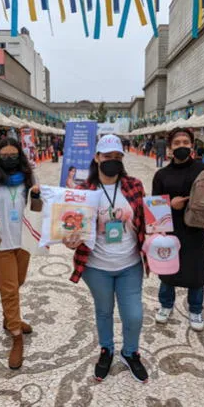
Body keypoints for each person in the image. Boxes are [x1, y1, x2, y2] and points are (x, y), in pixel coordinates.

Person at [63, 135, 149, 384]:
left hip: (129, 264)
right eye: (107, 156)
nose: (112, 161)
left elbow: (146, 219)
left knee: (134, 314)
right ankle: (106, 349)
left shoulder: (134, 185)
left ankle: (130, 352)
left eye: (117, 157)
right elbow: (71, 228)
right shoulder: (83, 192)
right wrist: (70, 239)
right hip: (95, 266)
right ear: (96, 157)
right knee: (103, 310)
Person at [153, 128, 204, 331]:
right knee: (167, 272)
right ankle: (165, 305)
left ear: (192, 145)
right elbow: (155, 209)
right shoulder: (162, 175)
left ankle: (195, 310)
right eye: (177, 143)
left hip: (195, 230)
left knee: (196, 274)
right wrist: (170, 205)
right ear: (170, 147)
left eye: (185, 142)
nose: (181, 146)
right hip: (170, 231)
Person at [0, 138, 42, 370]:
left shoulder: (28, 179)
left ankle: (9, 319)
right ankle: (16, 337)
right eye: (4, 156)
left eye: (13, 155)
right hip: (0, 243)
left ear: (20, 156)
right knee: (9, 290)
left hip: (23, 240)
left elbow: (37, 209)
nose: (9, 159)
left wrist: (37, 198)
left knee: (18, 283)